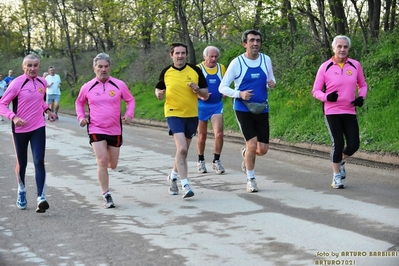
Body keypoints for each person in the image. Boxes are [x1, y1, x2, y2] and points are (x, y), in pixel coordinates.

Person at [219, 29, 276, 193]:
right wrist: (239, 94)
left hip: (262, 108)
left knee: (262, 149)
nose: (255, 43)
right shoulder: (237, 63)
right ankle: (251, 179)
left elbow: (270, 79)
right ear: (245, 44)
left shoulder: (266, 59)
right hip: (243, 108)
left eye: (258, 40)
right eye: (251, 40)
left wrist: (271, 84)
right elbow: (222, 87)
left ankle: (246, 154)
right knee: (252, 144)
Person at [75, 53, 135, 208]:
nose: (103, 69)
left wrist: (129, 114)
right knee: (102, 160)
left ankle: (106, 172)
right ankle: (106, 194)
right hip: (96, 128)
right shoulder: (87, 86)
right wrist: (81, 117)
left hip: (115, 129)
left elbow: (130, 100)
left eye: (106, 66)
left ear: (110, 67)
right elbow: (79, 103)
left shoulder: (119, 84)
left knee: (112, 164)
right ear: (94, 68)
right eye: (100, 66)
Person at [0, 54, 57, 213]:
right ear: (23, 67)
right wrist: (14, 117)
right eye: (29, 65)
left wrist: (48, 111)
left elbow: (40, 101)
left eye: (35, 65)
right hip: (20, 129)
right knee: (22, 163)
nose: (32, 68)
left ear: (39, 66)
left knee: (39, 161)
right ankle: (21, 190)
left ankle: (41, 198)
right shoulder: (17, 83)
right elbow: (2, 104)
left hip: (38, 126)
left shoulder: (42, 82)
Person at [312, 35, 368, 189]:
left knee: (354, 145)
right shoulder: (325, 67)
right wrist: (326, 97)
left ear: (348, 49)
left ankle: (340, 160)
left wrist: (361, 97)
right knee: (338, 142)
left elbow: (362, 85)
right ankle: (336, 176)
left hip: (349, 110)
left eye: (345, 47)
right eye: (339, 46)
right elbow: (315, 91)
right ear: (334, 48)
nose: (342, 49)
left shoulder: (355, 65)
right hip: (332, 111)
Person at [155, 42, 208, 198]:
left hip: (191, 115)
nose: (180, 56)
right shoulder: (166, 72)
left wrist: (197, 89)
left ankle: (172, 177)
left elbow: (205, 93)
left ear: (186, 54)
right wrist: (158, 93)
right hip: (173, 113)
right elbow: (159, 87)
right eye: (177, 53)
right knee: (183, 149)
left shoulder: (195, 70)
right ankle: (186, 185)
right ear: (171, 55)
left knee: (181, 152)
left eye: (183, 53)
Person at [196, 46, 227, 174]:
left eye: (215, 56)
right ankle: (201, 160)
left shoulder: (222, 68)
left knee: (219, 133)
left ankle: (216, 160)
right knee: (202, 136)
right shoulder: (198, 69)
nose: (213, 59)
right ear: (205, 57)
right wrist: (200, 96)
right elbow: (192, 88)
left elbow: (226, 83)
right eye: (211, 56)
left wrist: (225, 92)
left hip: (216, 105)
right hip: (201, 106)